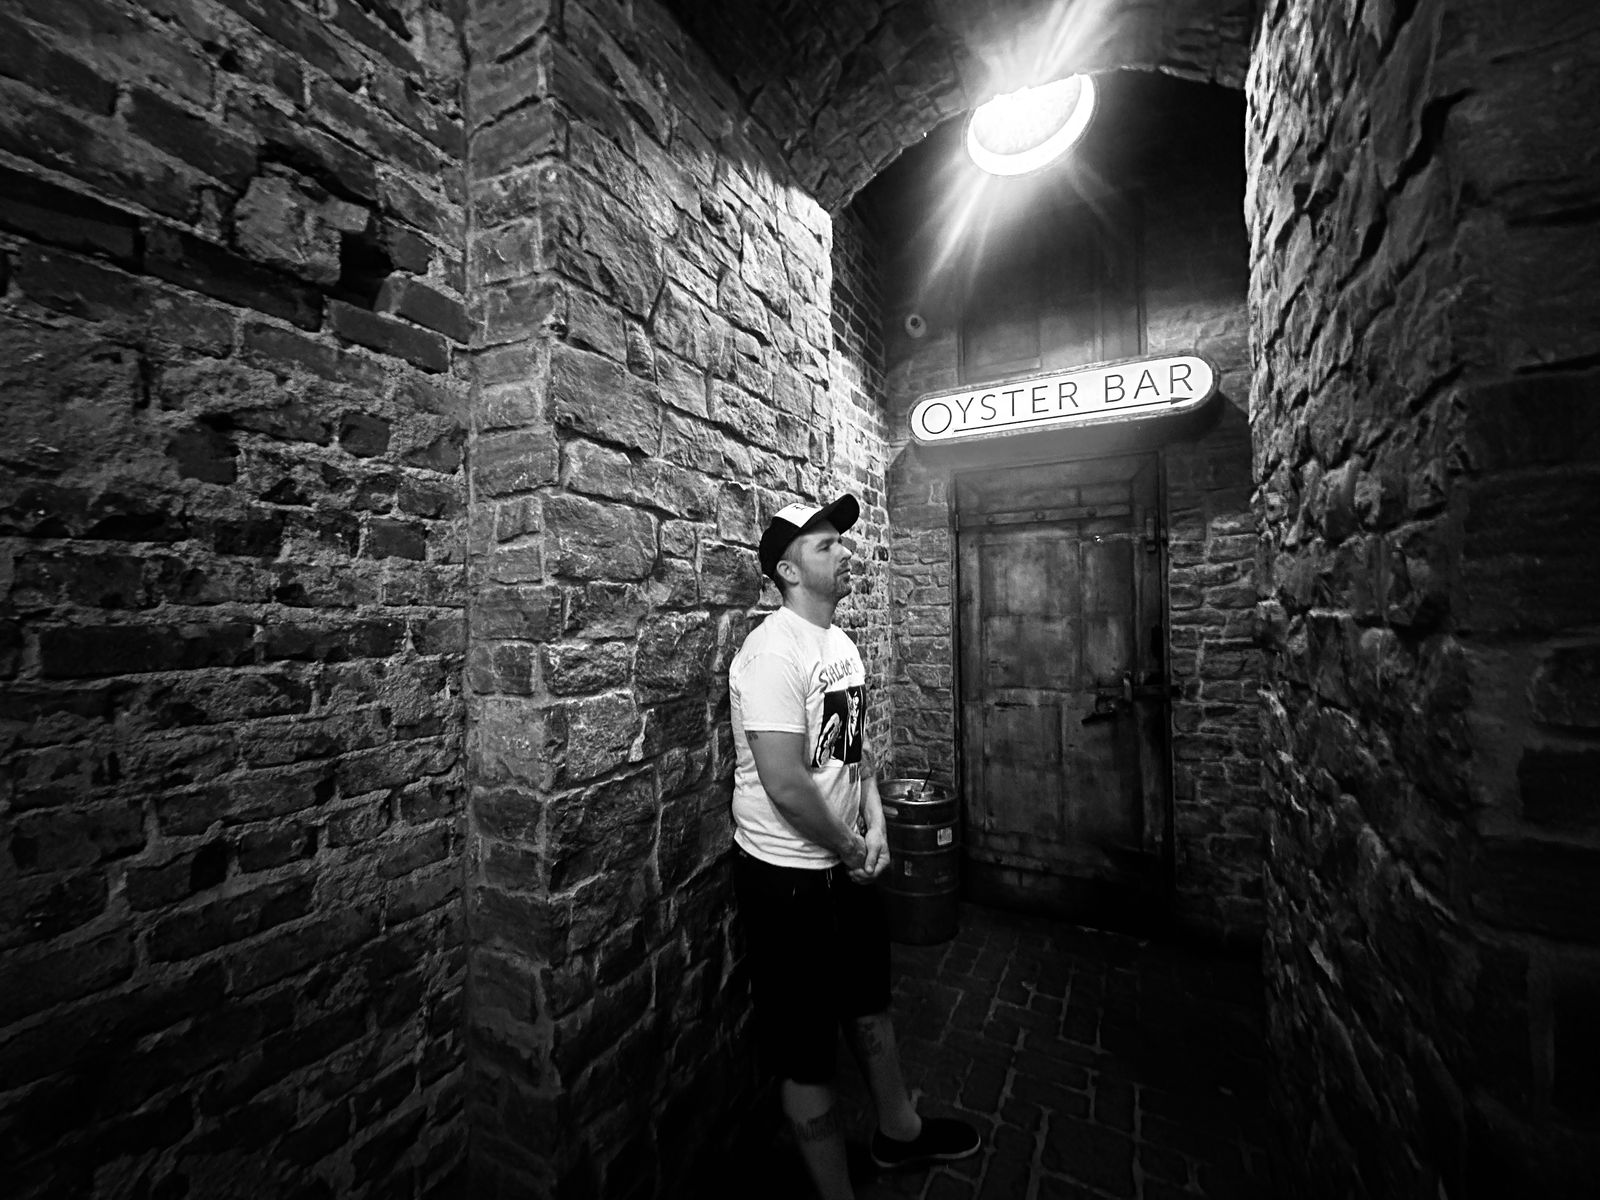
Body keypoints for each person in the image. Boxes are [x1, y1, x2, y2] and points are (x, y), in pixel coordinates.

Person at [729, 494, 982, 1199]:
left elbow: (850, 753)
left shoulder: (838, 646)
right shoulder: (771, 652)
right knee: (806, 1053)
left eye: (841, 541)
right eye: (826, 545)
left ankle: (899, 1131)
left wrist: (874, 826)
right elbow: (785, 782)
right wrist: (849, 846)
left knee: (868, 1000)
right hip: (788, 879)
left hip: (843, 865)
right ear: (787, 570)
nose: (845, 552)